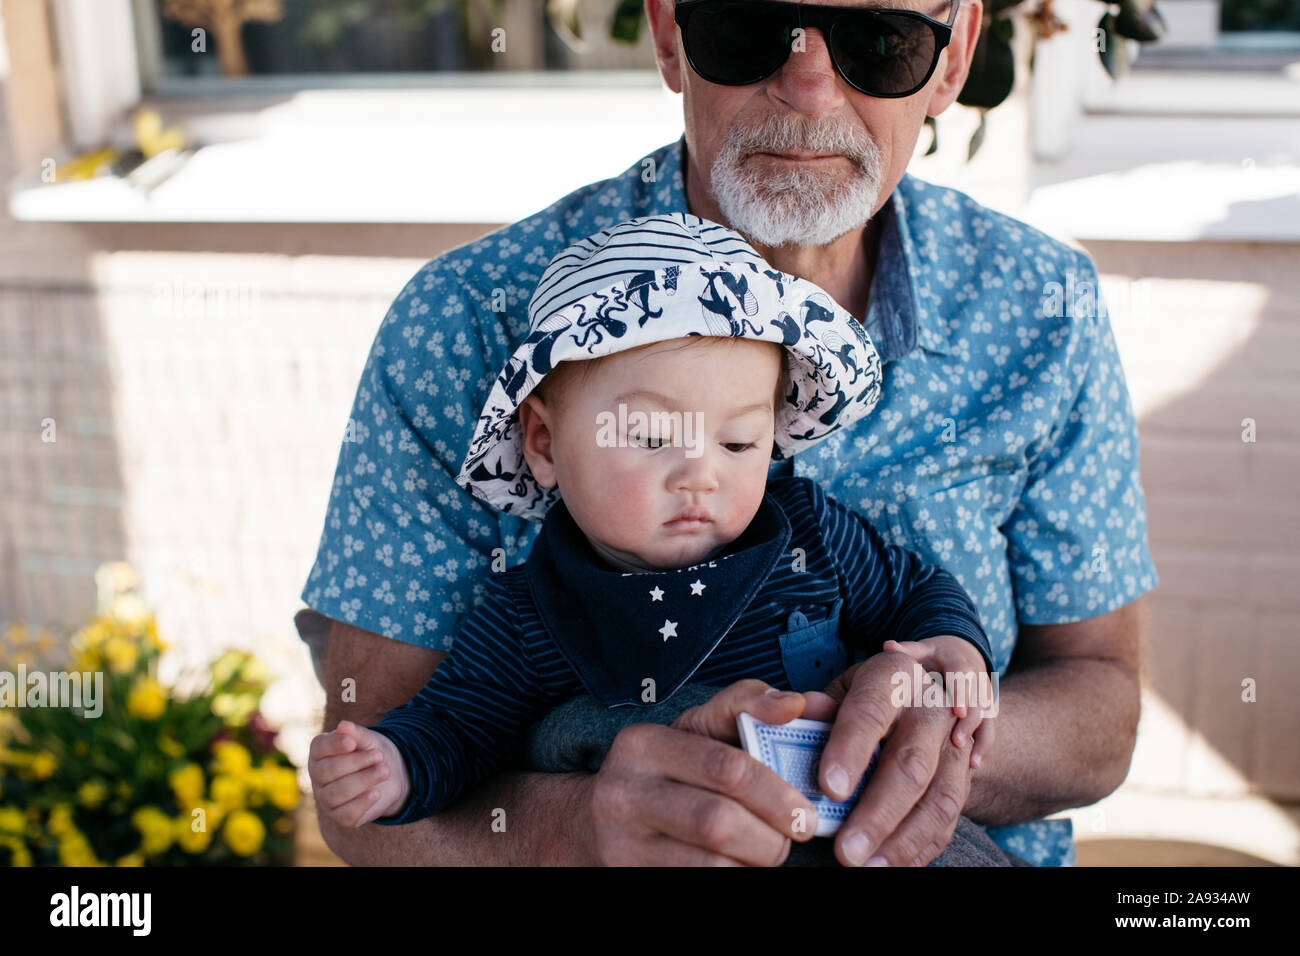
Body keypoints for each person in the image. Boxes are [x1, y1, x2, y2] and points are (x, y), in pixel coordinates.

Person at [297, 0, 1158, 867]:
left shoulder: (1044, 305)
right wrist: (579, 830)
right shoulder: (470, 322)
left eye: (880, 41)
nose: (810, 85)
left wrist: (928, 744)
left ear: (954, 55)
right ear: (671, 34)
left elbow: (1103, 707)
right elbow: (364, 799)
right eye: (750, 23)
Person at [306, 214, 1004, 859]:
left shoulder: (811, 534)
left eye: (737, 442)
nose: (700, 474)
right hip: (674, 849)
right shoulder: (531, 615)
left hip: (858, 830)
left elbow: (917, 590)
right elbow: (459, 727)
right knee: (567, 733)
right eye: (649, 436)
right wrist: (394, 766)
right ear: (544, 442)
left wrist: (951, 644)